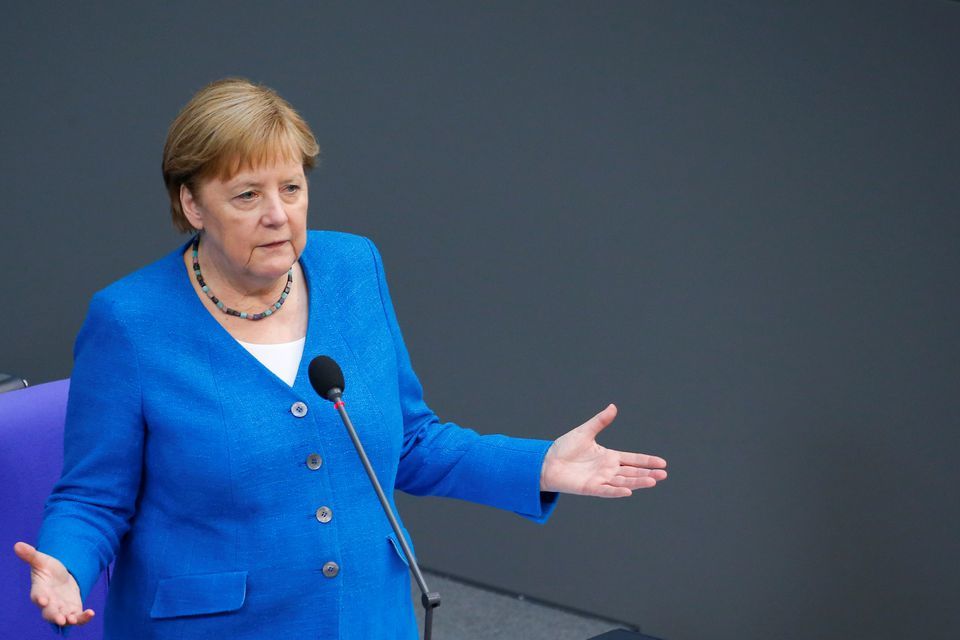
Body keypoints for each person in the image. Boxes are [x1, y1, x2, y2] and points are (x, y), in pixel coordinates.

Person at [13, 78, 668, 639]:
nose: (278, 215)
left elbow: (412, 442)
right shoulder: (130, 322)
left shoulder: (353, 267)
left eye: (291, 188)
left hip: (368, 616)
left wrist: (540, 465)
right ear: (192, 204)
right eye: (247, 195)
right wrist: (66, 564)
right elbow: (94, 496)